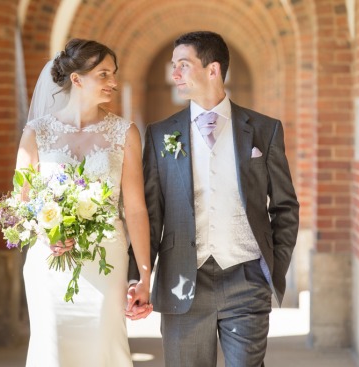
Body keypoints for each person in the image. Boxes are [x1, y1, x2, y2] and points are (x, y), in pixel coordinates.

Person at [127, 31, 300, 366]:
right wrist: (140, 276)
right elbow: (150, 214)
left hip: (246, 278)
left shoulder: (265, 130)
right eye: (173, 66)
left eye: (183, 65)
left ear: (212, 70)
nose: (174, 73)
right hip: (181, 283)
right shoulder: (161, 134)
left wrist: (272, 270)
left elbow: (285, 207)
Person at [16, 38, 153, 367]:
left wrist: (145, 276)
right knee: (53, 350)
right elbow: (19, 204)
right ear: (76, 79)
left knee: (103, 350)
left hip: (106, 261)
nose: (114, 83)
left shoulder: (125, 132)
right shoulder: (37, 132)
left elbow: (135, 209)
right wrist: (47, 233)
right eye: (103, 74)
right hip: (48, 266)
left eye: (114, 74)